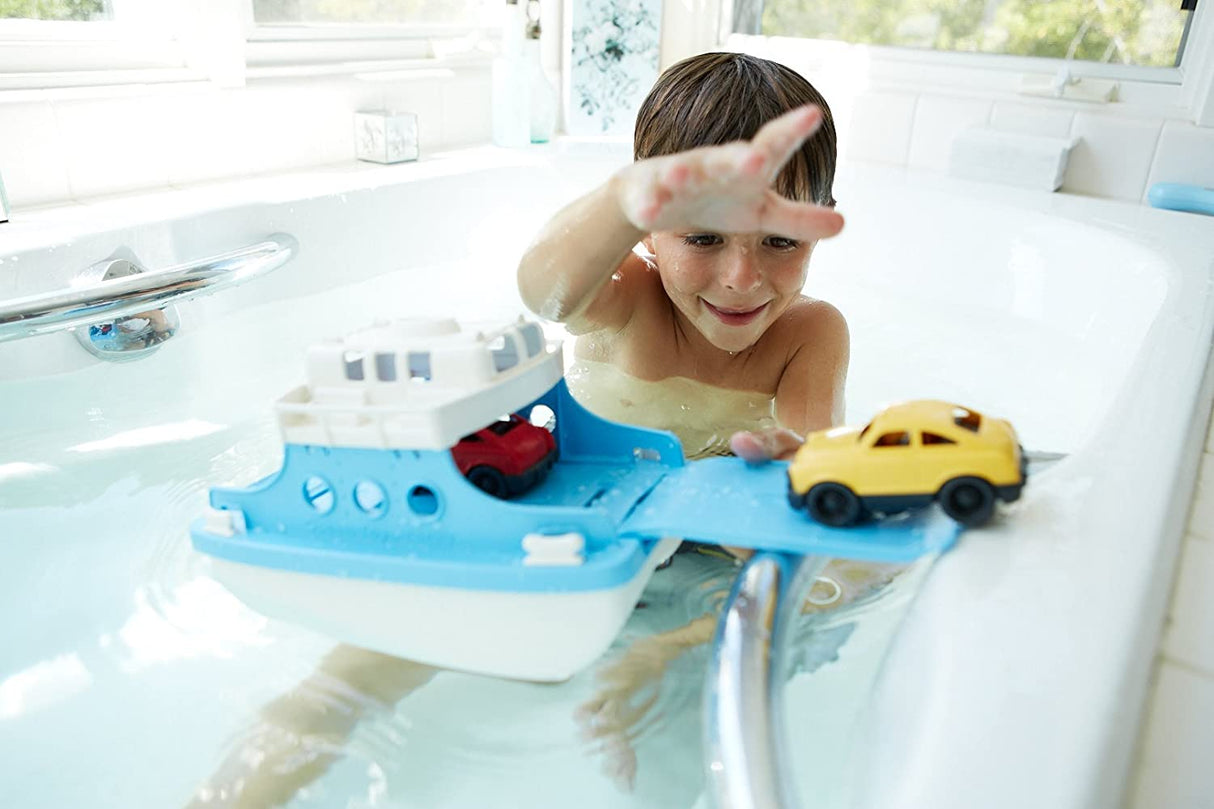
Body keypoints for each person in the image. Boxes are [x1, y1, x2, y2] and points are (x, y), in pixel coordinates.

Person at [186, 51, 898, 808]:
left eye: (779, 242)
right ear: (650, 234)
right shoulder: (626, 296)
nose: (741, 278)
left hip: (698, 555)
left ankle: (664, 663)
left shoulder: (811, 334)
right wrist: (624, 199)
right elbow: (545, 291)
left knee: (825, 589)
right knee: (358, 669)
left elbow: (816, 492)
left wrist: (799, 477)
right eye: (703, 237)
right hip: (552, 525)